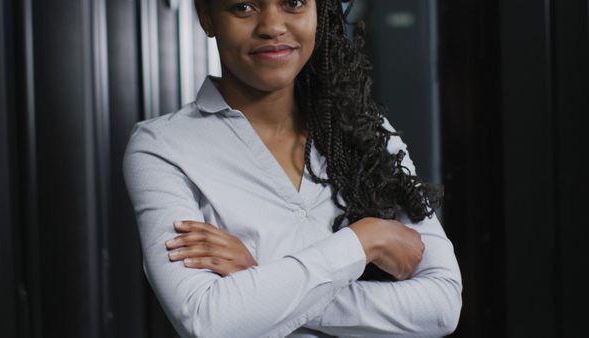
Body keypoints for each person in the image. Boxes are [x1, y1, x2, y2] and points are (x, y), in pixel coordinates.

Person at [123, 0, 462, 337]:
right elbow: (208, 321)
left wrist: (261, 275)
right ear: (206, 16)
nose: (272, 26)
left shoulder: (366, 132)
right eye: (243, 7)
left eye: (294, 3)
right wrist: (363, 240)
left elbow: (441, 305)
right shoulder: (162, 147)